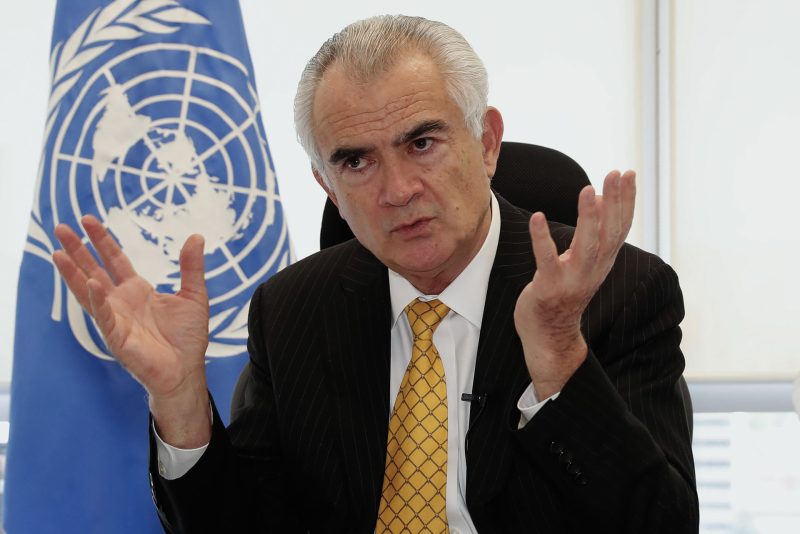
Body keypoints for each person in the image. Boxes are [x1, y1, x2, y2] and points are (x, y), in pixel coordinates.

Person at [53, 14, 698, 534]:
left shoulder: (615, 292)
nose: (397, 190)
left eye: (422, 143)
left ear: (486, 142)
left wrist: (558, 356)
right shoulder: (292, 310)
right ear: (327, 187)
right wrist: (180, 399)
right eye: (356, 162)